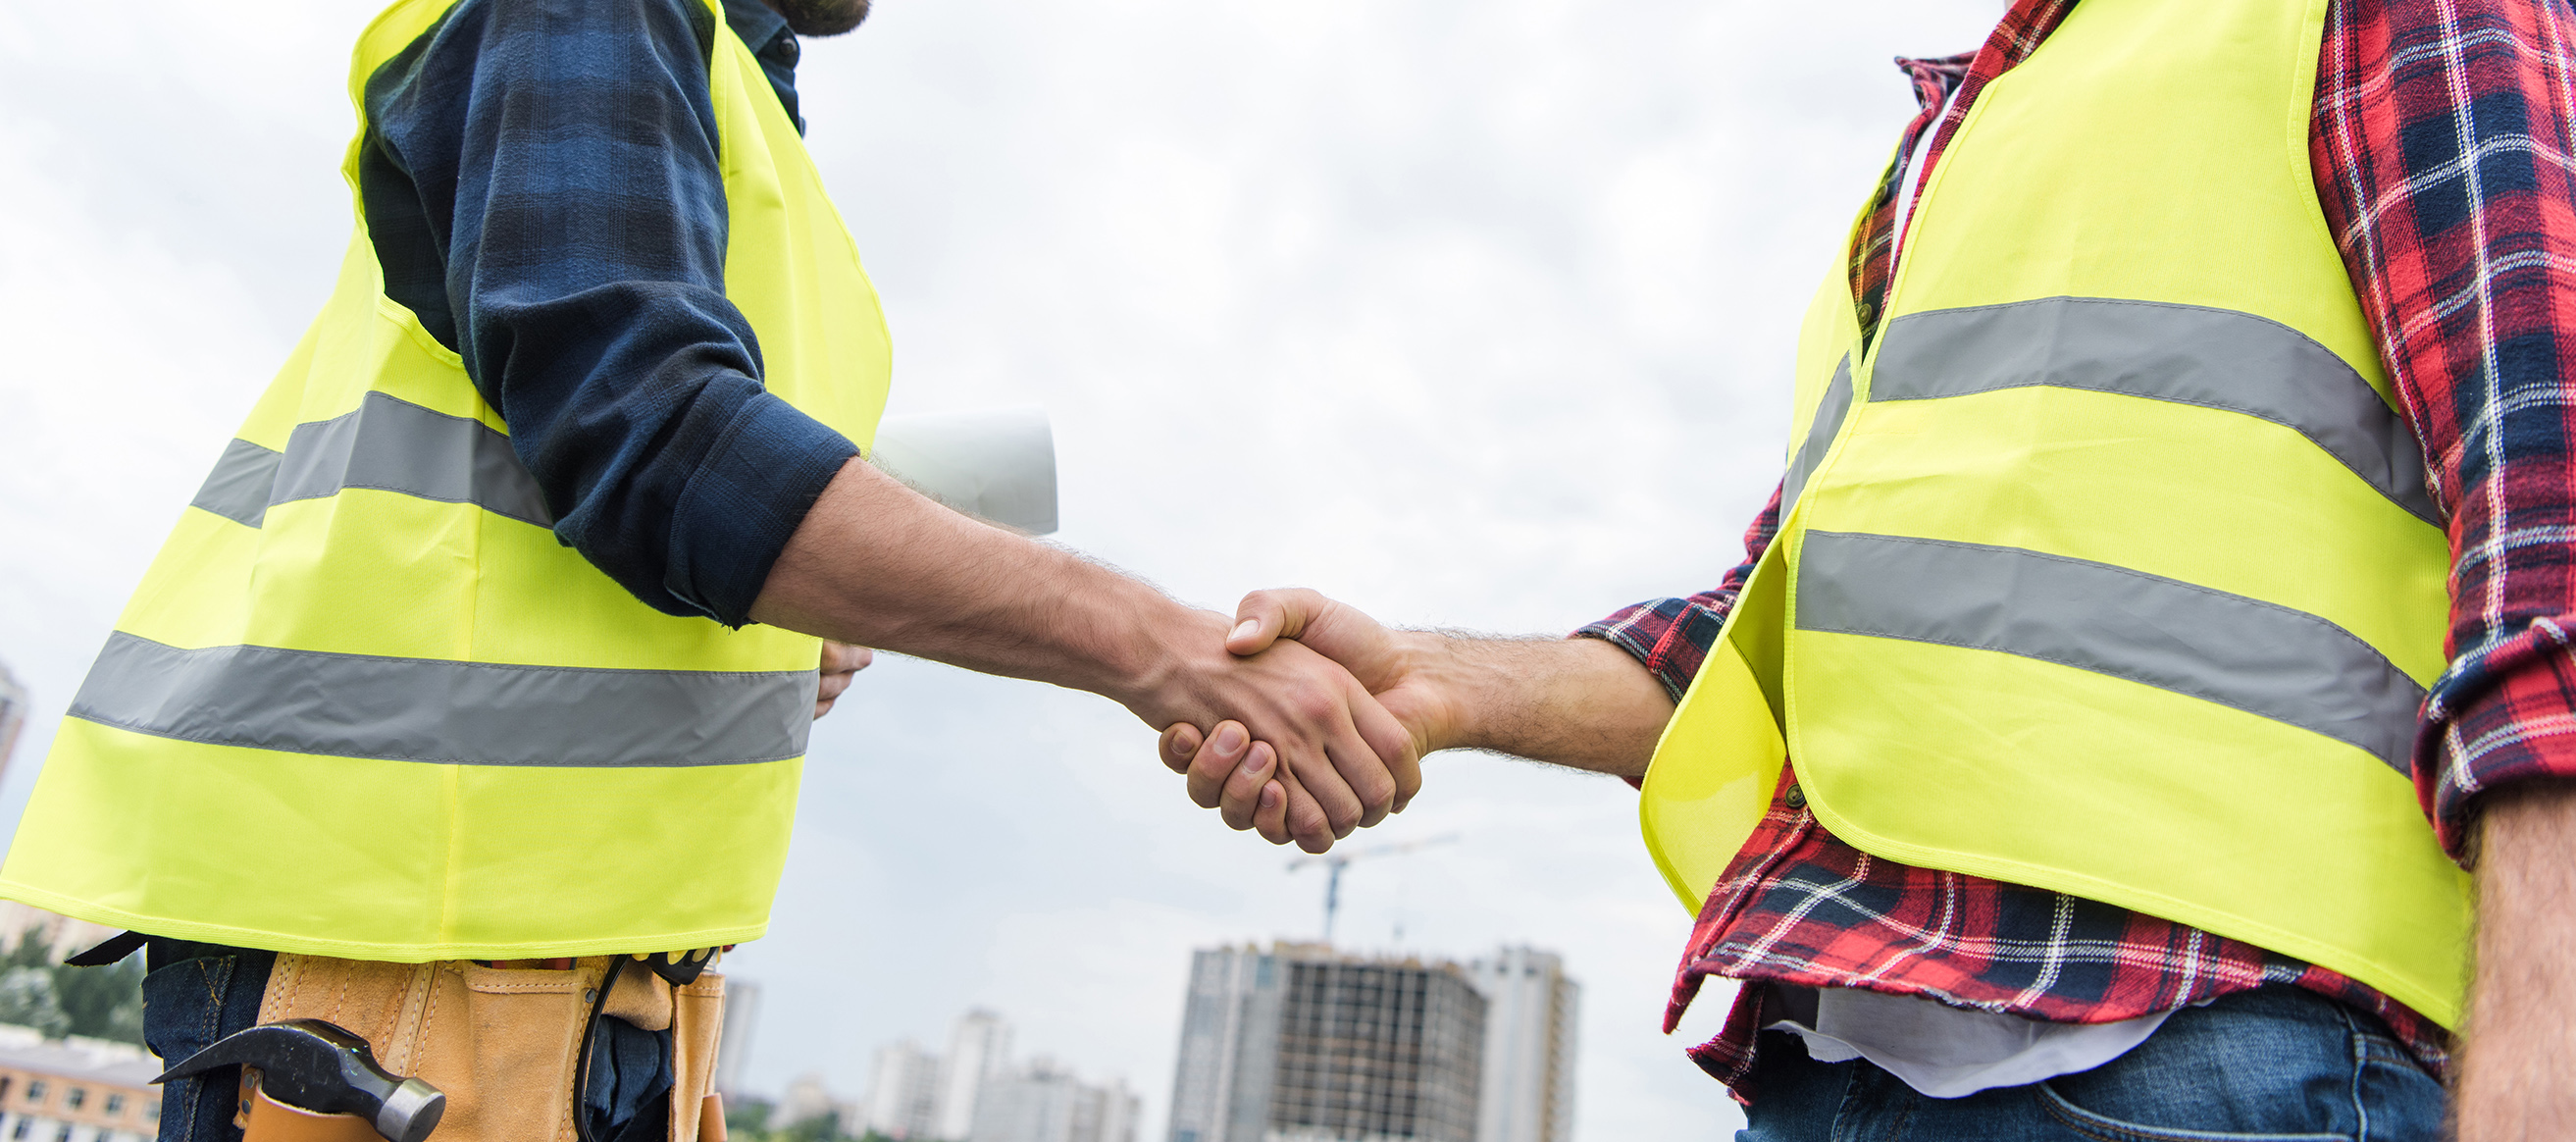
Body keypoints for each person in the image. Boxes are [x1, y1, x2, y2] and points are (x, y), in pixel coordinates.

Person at [0, 1, 1414, 1139]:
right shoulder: (586, 12)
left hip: (567, 994)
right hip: (403, 985)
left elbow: (620, 494)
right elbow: (654, 434)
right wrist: (1148, 642)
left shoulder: (733, 100)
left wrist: (779, 627)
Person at [1172, 0, 2576, 1134]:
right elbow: (1783, 631)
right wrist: (1438, 683)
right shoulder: (1964, 137)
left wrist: (2539, 1071)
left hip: (2211, 1049)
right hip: (1840, 1060)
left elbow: (2551, 530)